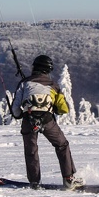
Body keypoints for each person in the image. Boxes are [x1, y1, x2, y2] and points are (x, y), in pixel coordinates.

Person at [11, 55, 84, 190]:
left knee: (31, 150)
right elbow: (63, 109)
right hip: (47, 120)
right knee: (62, 145)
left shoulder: (24, 83)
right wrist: (54, 108)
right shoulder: (53, 86)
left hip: (28, 120)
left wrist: (20, 114)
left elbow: (15, 109)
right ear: (48, 70)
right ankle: (68, 179)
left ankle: (34, 182)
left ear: (35, 67)